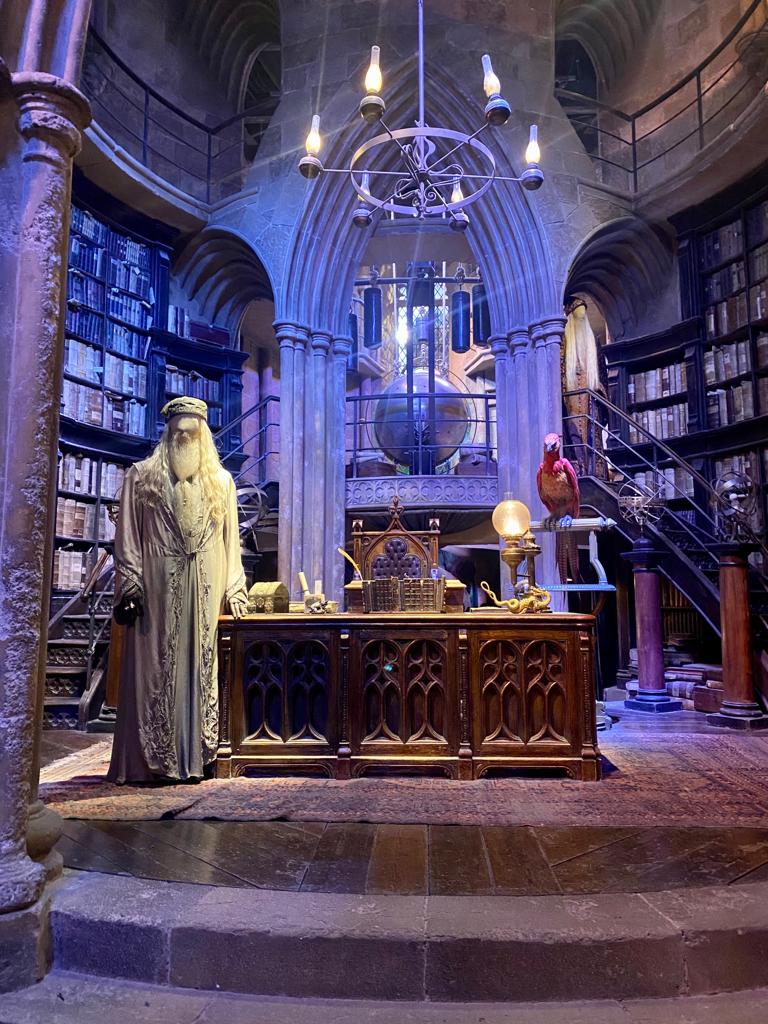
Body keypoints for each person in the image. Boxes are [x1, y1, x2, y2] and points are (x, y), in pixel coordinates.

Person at [107, 396, 248, 784]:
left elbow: (231, 542)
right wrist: (131, 583)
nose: (184, 438)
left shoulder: (222, 482)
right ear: (167, 434)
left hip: (206, 585)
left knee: (202, 665)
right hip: (157, 587)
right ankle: (150, 762)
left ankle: (197, 757)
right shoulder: (141, 476)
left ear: (203, 436)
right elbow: (128, 536)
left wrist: (235, 588)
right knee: (155, 666)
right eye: (178, 432)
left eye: (192, 432)